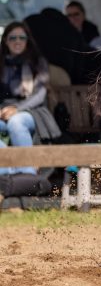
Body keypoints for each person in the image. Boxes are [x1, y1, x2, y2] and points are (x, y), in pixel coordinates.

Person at [1, 23, 60, 174]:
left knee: (16, 122)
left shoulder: (37, 62)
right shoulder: (1, 63)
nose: (17, 41)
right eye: (12, 37)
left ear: (28, 40)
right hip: (3, 110)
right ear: (6, 41)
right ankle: (7, 172)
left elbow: (40, 95)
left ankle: (27, 173)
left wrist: (17, 109)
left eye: (22, 37)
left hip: (33, 110)